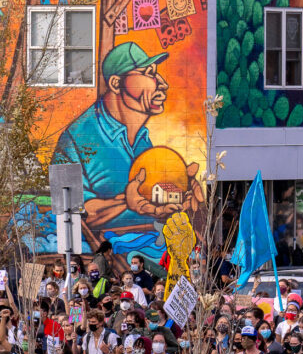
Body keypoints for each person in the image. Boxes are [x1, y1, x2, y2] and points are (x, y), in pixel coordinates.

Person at [51, 43, 202, 231]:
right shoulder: (72, 140)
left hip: (147, 247)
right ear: (116, 83)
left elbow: (149, 199)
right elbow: (68, 213)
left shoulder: (143, 139)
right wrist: (126, 202)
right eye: (149, 73)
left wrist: (180, 187)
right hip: (100, 253)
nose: (163, 84)